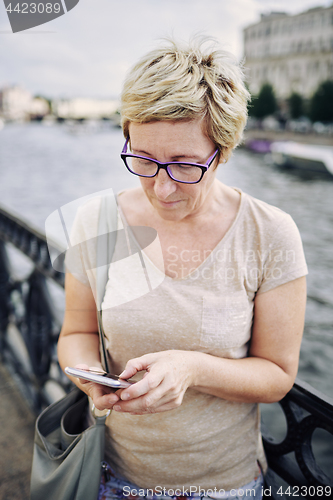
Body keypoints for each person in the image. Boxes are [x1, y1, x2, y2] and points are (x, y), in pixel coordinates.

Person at [57, 37, 308, 500]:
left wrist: (193, 368)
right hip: (111, 475)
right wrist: (90, 378)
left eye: (185, 165)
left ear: (224, 150)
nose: (162, 188)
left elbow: (277, 374)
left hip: (226, 486)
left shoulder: (271, 233)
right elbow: (76, 333)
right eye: (144, 159)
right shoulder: (96, 222)